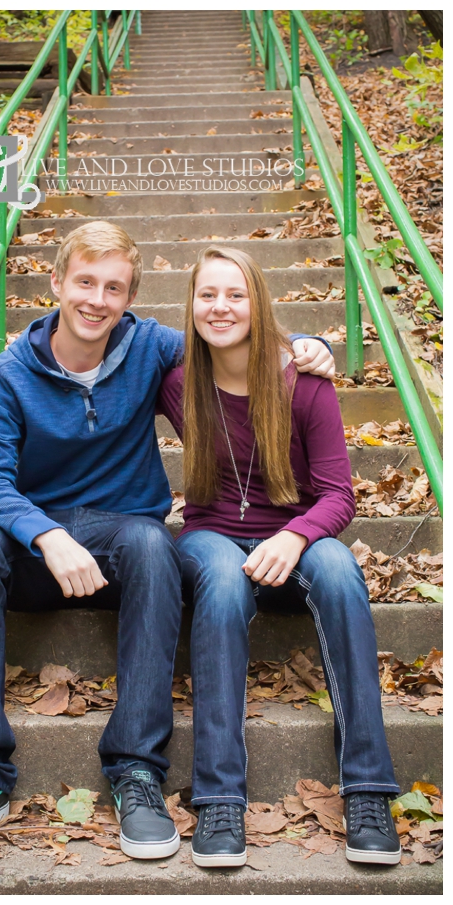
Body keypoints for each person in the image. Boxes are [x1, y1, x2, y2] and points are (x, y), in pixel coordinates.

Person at [0, 222, 334, 858]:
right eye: (84, 282)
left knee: (152, 541)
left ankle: (136, 767)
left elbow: (230, 335)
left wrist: (308, 343)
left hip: (123, 545)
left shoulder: (148, 347)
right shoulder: (7, 373)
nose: (97, 300)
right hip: (39, 550)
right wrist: (46, 534)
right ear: (55, 284)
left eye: (114, 288)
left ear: (130, 299)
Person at [157, 246, 401, 869]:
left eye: (235, 295)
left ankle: (370, 792)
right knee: (219, 577)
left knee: (343, 571)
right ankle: (218, 798)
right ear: (190, 304)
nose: (220, 307)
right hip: (211, 534)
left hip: (296, 533)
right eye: (207, 294)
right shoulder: (177, 381)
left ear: (258, 302)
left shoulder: (303, 381)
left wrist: (295, 537)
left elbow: (340, 494)